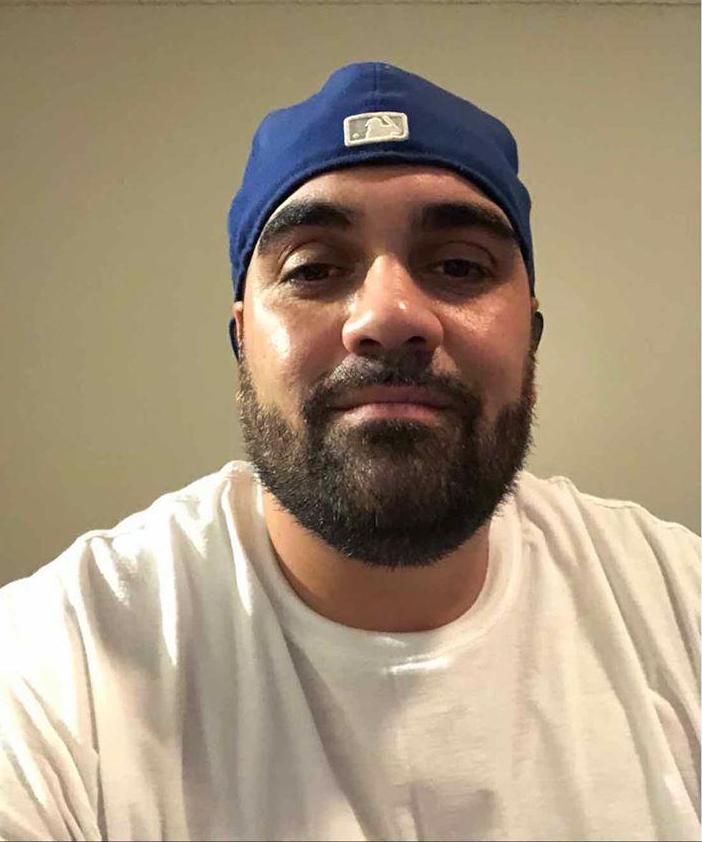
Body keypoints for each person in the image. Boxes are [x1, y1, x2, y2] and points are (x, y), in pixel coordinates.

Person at [0, 62, 698, 842]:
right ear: (242, 339)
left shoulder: (678, 607)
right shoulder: (55, 666)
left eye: (459, 266)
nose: (389, 315)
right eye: (314, 270)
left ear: (530, 333)